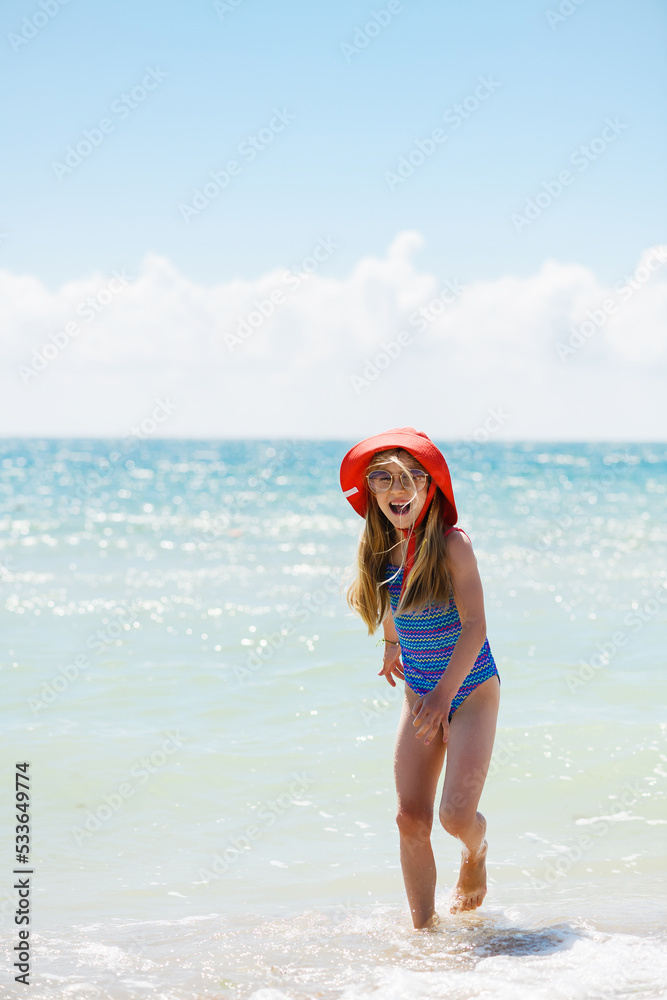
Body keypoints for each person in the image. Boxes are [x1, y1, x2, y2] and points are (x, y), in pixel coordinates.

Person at [340, 427, 500, 928]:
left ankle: (477, 850)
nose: (396, 487)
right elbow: (393, 604)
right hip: (420, 693)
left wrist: (445, 696)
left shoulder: (453, 545)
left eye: (409, 477)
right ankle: (425, 935)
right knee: (410, 818)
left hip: (469, 689)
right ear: (372, 494)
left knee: (455, 816)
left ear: (431, 488)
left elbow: (475, 626)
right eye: (382, 478)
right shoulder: (380, 552)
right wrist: (392, 645)